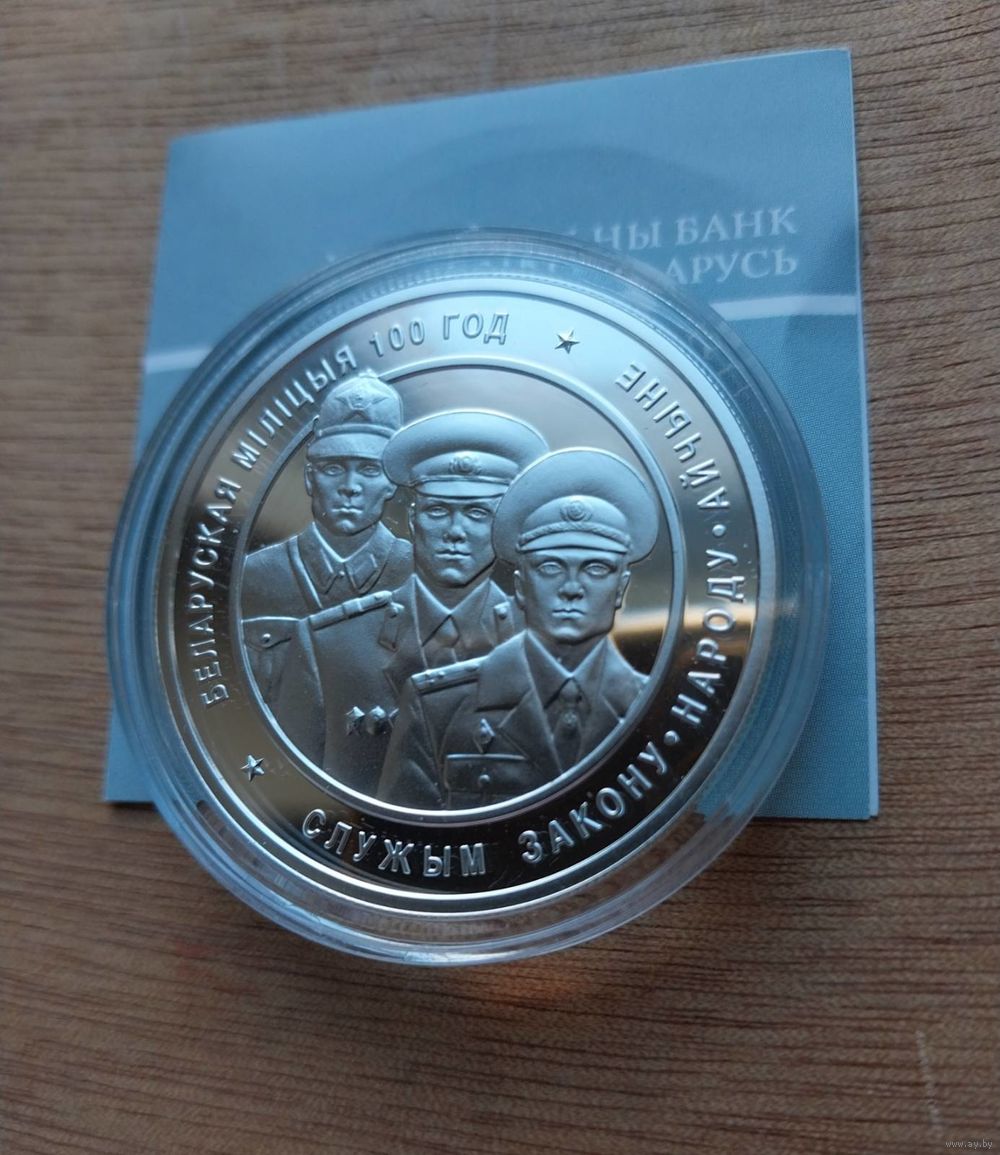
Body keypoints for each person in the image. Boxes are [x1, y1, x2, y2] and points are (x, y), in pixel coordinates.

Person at [272, 409, 548, 792]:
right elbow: (286, 788)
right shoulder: (327, 645)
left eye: (477, 512)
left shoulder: (548, 646)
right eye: (438, 511)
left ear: (504, 528)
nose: (455, 531)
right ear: (413, 520)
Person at [379, 448, 658, 809]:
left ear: (621, 589)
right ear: (521, 586)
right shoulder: (436, 706)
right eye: (551, 568)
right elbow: (405, 824)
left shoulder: (652, 706)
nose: (572, 588)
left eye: (595, 569)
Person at [241, 370, 411, 700]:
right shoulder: (254, 577)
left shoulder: (418, 575)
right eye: (333, 469)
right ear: (309, 478)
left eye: (369, 469)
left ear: (391, 483)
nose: (350, 487)